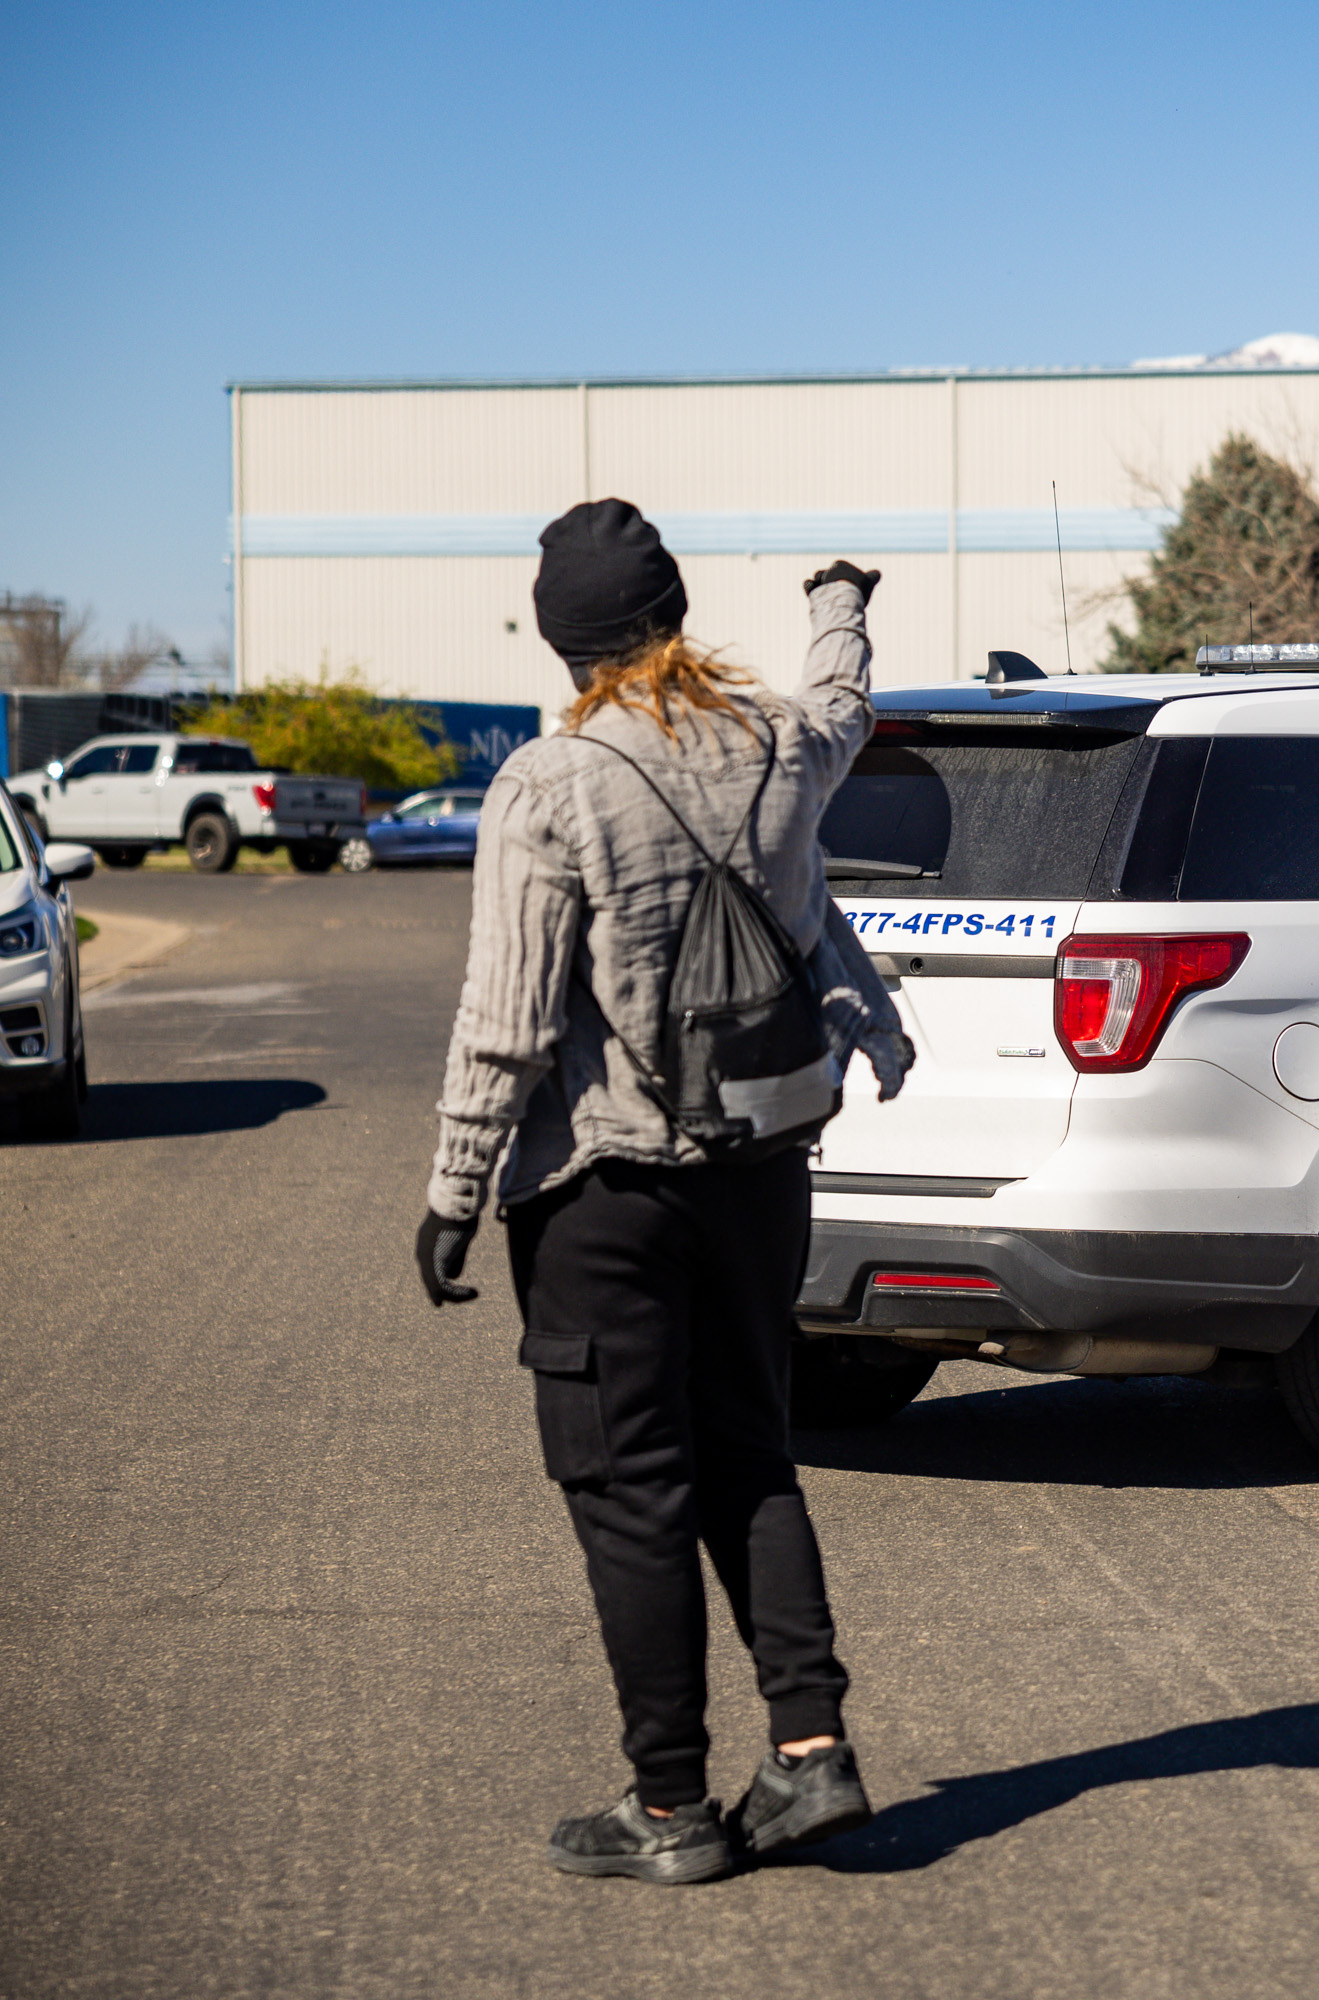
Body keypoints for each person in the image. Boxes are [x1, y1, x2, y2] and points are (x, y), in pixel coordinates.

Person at [414, 498, 916, 1884]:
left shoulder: (549, 783)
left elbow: (507, 1023)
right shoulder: (777, 744)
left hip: (605, 1194)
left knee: (633, 1488)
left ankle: (671, 1805)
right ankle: (811, 1759)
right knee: (751, 1450)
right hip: (761, 1175)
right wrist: (839, 595)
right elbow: (843, 700)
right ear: (676, 611)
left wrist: (455, 1190)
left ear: (560, 639)